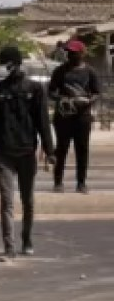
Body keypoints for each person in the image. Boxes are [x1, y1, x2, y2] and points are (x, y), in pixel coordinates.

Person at [0, 46, 55, 259]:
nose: (2, 68)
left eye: (5, 64)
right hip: (4, 154)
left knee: (28, 201)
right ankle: (9, 246)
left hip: (27, 153)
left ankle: (27, 239)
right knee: (6, 201)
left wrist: (50, 151)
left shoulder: (35, 89)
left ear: (14, 64)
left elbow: (43, 123)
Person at [49, 40, 100, 194]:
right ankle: (58, 182)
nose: (70, 55)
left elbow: (96, 93)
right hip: (64, 117)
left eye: (73, 52)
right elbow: (51, 92)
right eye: (68, 52)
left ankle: (81, 183)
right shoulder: (60, 71)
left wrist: (86, 101)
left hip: (82, 117)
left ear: (81, 53)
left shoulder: (90, 72)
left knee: (82, 150)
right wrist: (62, 100)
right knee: (61, 149)